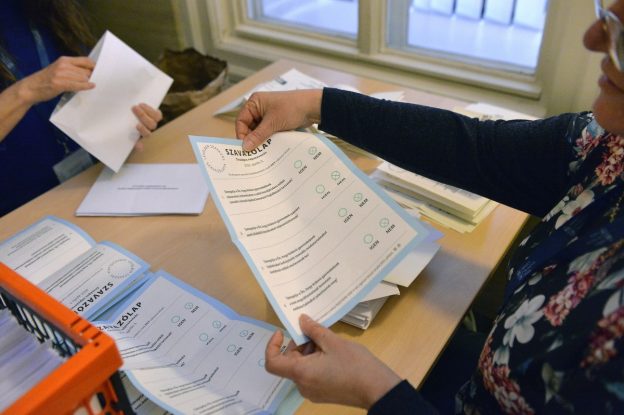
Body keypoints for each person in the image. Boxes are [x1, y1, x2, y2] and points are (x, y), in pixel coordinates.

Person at [234, 0, 624, 412]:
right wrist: (319, 105)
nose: (592, 39)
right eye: (608, 13)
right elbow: (475, 150)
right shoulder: (609, 147)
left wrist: (372, 388)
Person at [0, 0, 162, 216]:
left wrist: (123, 127)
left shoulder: (49, 9)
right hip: (17, 210)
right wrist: (26, 91)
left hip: (89, 185)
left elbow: (85, 89)